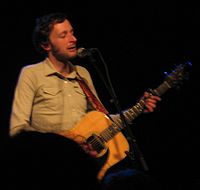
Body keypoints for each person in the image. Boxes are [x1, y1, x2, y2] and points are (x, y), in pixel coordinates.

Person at [9, 12, 162, 188]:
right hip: (49, 167)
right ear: (46, 44)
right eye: (63, 35)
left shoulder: (83, 74)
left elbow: (103, 121)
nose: (73, 39)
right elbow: (17, 129)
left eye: (72, 32)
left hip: (83, 169)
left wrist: (138, 108)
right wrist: (53, 148)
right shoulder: (31, 74)